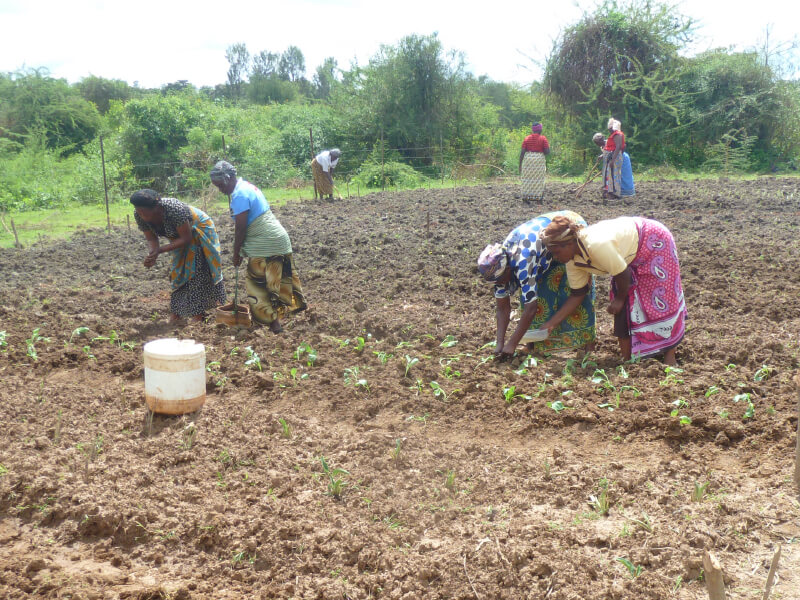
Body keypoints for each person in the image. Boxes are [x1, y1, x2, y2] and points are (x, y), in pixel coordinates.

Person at [540, 215, 687, 365]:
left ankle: (670, 355)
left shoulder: (597, 245)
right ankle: (628, 360)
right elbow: (578, 293)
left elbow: (624, 274)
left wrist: (620, 299)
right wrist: (551, 323)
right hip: (626, 261)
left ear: (569, 244)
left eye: (556, 252)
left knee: (663, 298)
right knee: (623, 304)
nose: (555, 257)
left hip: (654, 241)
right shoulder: (573, 261)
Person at [477, 211, 596, 360]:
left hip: (564, 233)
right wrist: (500, 344)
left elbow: (530, 308)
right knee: (541, 293)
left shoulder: (523, 262)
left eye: (500, 280)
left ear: (508, 269)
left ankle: (586, 344)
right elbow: (502, 307)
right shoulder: (499, 267)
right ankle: (535, 345)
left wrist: (511, 344)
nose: (499, 284)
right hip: (541, 250)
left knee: (575, 288)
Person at [210, 161, 306, 333]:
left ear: (228, 178)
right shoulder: (247, 186)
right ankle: (276, 324)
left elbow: (240, 228)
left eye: (220, 186)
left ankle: (274, 325)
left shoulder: (239, 195)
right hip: (277, 239)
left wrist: (236, 252)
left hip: (266, 243)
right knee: (274, 283)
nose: (220, 190)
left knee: (258, 285)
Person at [130, 189, 225, 321]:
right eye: (138, 211)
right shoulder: (139, 215)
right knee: (178, 273)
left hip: (198, 230)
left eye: (144, 211)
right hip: (178, 238)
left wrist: (160, 250)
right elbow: (151, 239)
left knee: (197, 271)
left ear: (157, 208)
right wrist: (153, 254)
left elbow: (186, 238)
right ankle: (177, 313)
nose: (141, 214)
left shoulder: (174, 209)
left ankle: (198, 315)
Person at [593, 132, 634, 198]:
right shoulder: (602, 146)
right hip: (612, 162)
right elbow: (608, 153)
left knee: (621, 176)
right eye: (596, 143)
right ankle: (610, 191)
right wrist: (602, 156)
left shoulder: (610, 143)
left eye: (598, 143)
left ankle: (623, 193)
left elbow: (622, 146)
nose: (597, 145)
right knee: (610, 176)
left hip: (621, 159)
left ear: (602, 140)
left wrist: (616, 158)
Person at [518, 123, 550, 203]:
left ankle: (526, 197)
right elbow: (547, 152)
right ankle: (538, 198)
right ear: (540, 129)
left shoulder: (527, 138)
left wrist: (520, 165)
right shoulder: (543, 139)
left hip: (528, 160)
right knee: (539, 179)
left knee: (527, 178)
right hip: (539, 161)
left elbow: (522, 152)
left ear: (533, 130)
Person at [602, 119, 627, 199]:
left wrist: (613, 160)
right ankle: (610, 191)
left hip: (614, 158)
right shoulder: (616, 135)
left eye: (609, 129)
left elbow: (619, 146)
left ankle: (614, 193)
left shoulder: (617, 135)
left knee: (614, 175)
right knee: (611, 174)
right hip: (614, 156)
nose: (609, 130)